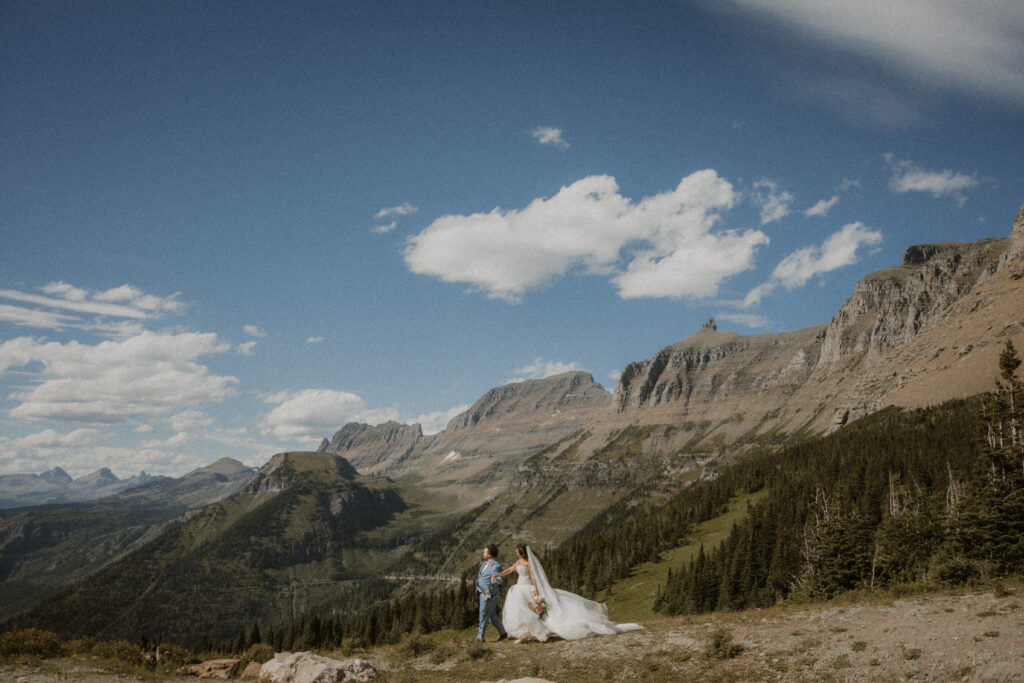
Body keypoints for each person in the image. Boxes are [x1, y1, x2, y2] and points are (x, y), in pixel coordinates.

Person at [492, 543, 642, 642]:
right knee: (522, 611)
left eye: (517, 551)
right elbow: (510, 569)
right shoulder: (519, 562)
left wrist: (537, 591)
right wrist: (498, 574)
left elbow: (533, 577)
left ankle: (534, 632)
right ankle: (525, 633)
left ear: (521, 552)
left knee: (535, 612)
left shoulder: (529, 562)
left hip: (528, 587)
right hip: (519, 587)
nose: (516, 552)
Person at [475, 543, 508, 642]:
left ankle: (480, 638)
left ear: (489, 554)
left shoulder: (495, 565)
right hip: (482, 593)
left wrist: (496, 581)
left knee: (483, 614)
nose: (483, 553)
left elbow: (499, 578)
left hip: (489, 594)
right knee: (492, 616)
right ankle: (503, 633)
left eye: (485, 552)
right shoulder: (485, 564)